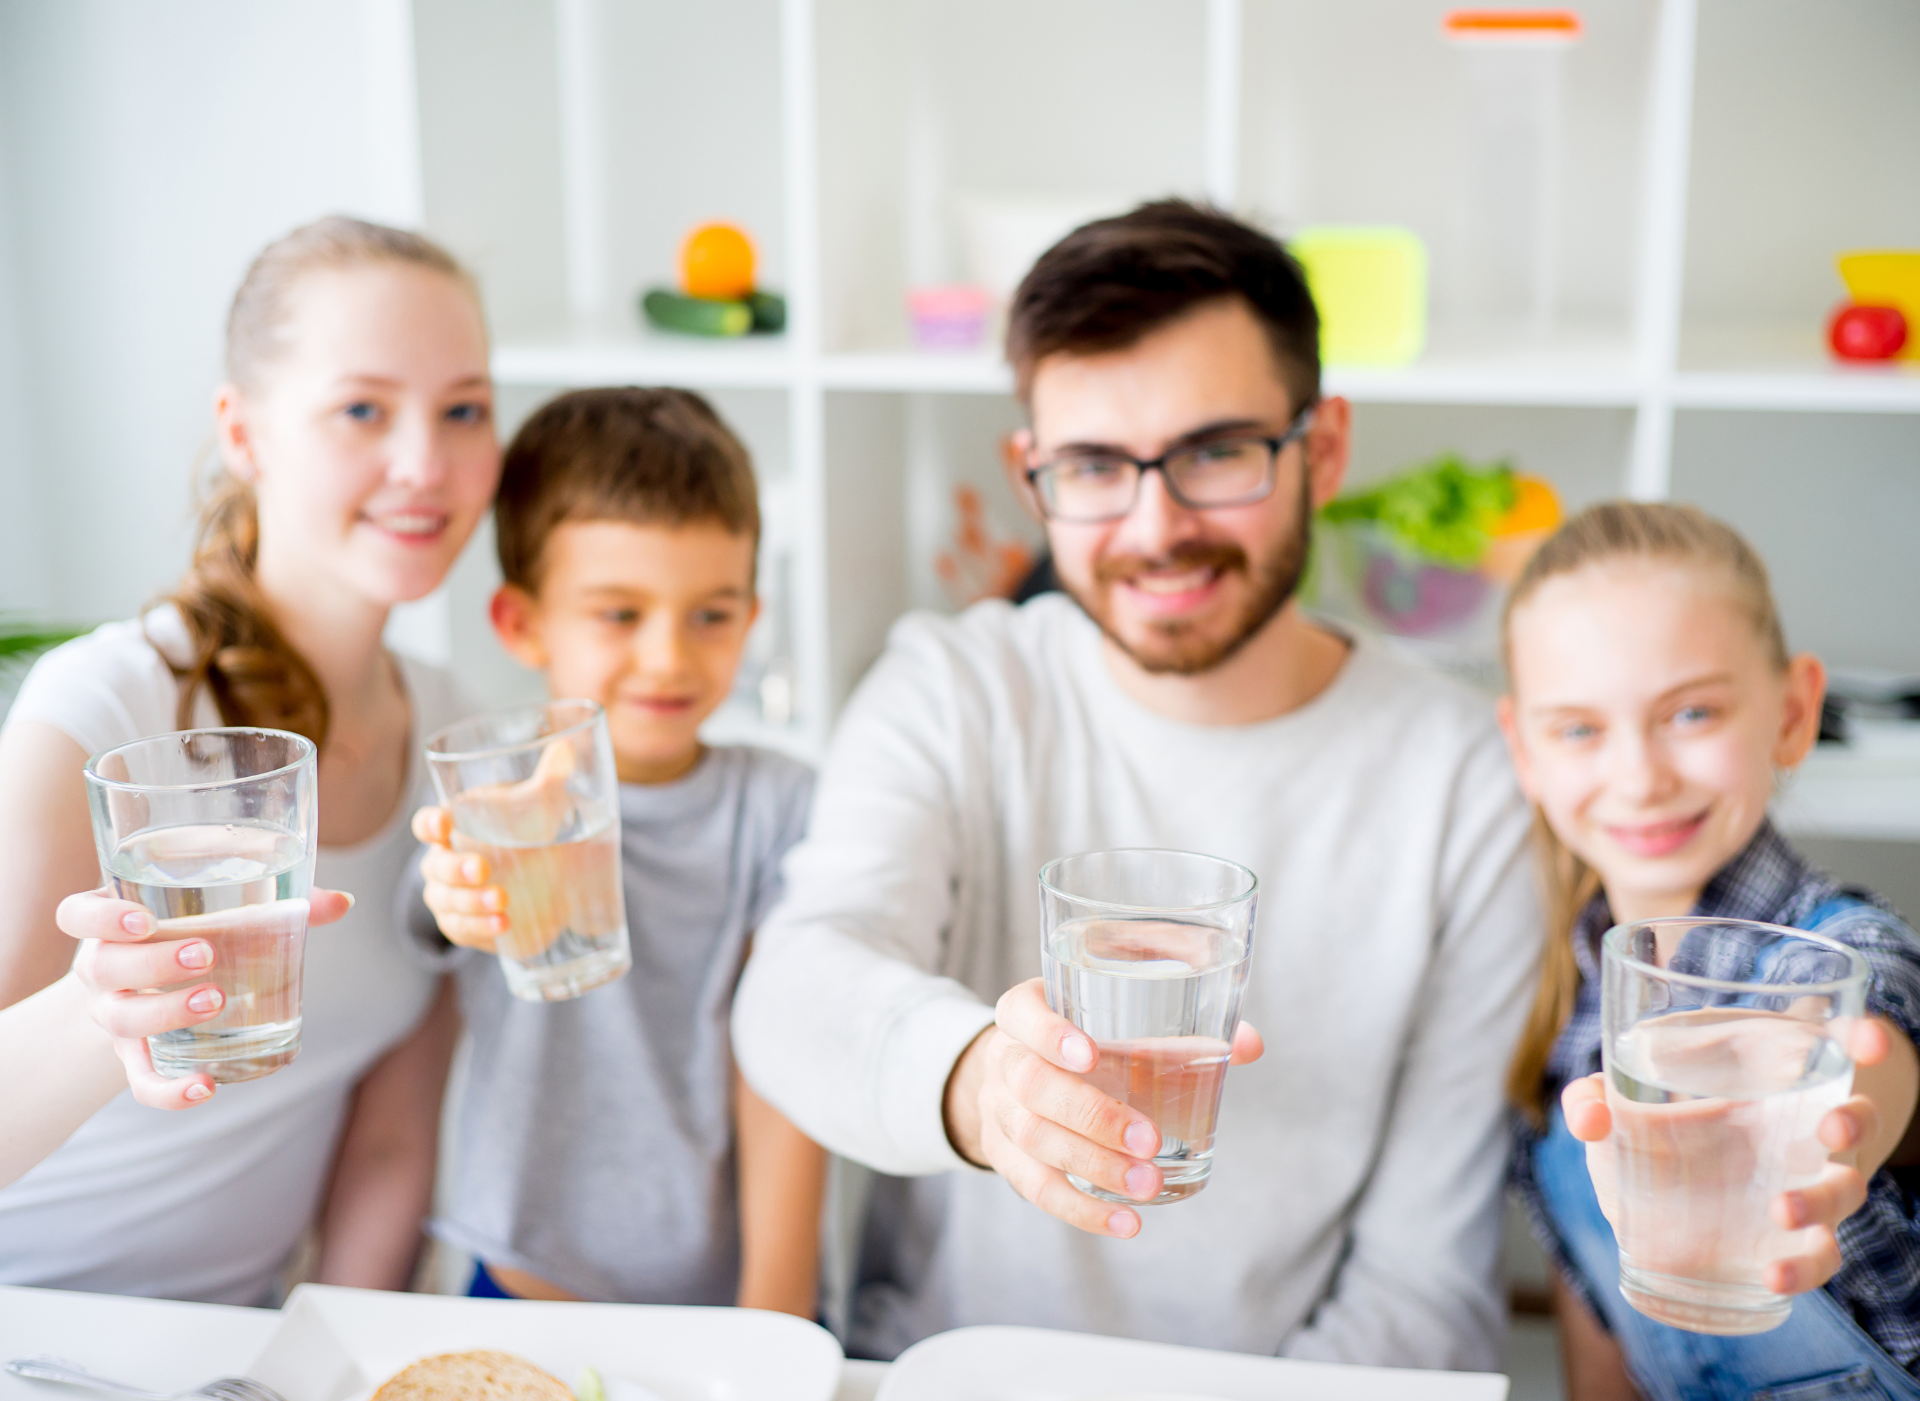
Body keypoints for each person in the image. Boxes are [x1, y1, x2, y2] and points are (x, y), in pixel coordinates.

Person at [729, 200, 1542, 1365]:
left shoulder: (1461, 780)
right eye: (1095, 467)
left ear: (1322, 449)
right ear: (1030, 474)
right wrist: (976, 1085)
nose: (1155, 527)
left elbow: (1426, 1286)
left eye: (1216, 453)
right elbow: (797, 985)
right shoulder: (955, 688)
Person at [0, 216, 499, 1303]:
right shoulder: (102, 707)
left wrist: (326, 1367)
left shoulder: (455, 732)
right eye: (363, 409)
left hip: (242, 1349)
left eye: (464, 409)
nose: (425, 464)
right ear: (245, 432)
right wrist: (104, 1010)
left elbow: (389, 1140)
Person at [408, 387, 825, 1314]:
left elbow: (784, 1074)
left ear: (753, 615)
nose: (670, 658)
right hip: (524, 1281)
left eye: (711, 614)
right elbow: (442, 898)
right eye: (620, 614)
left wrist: (777, 1321)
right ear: (522, 623)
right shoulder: (499, 796)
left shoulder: (782, 806)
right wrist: (468, 881)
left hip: (732, 1300)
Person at [1499, 501, 1920, 1401]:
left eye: (1690, 712)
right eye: (1578, 728)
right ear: (1523, 751)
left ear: (1794, 711)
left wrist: (1830, 1124)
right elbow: (1601, 1336)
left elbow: (1858, 1038)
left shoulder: (1843, 951)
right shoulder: (1559, 1004)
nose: (1641, 776)